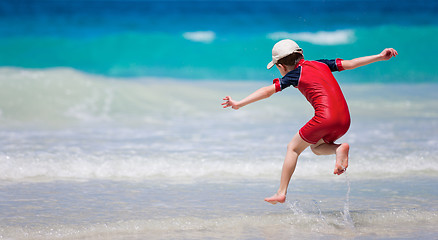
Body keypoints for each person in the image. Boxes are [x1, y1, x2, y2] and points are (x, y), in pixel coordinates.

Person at [221, 39, 398, 204]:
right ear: (302, 55)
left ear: (281, 66)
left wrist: (239, 103)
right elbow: (351, 63)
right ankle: (338, 149)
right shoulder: (321, 64)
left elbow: (267, 91)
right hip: (344, 119)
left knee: (293, 148)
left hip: (325, 119)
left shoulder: (293, 75)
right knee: (316, 147)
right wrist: (380, 57)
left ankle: (281, 192)